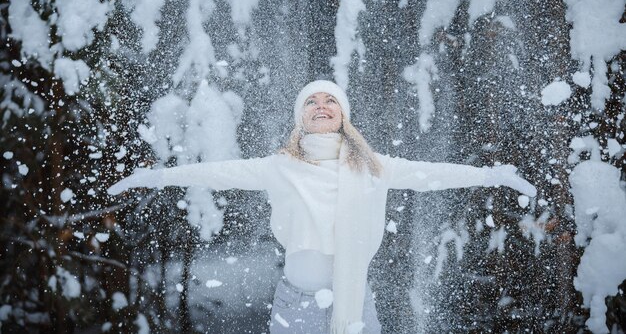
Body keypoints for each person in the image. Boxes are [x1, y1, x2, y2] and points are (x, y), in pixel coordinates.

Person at [108, 80, 536, 334]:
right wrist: (157, 176)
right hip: (297, 303)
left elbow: (433, 175)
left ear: (343, 115)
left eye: (329, 101)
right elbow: (215, 172)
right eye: (311, 102)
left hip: (355, 299)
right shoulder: (278, 167)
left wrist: (489, 175)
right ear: (300, 116)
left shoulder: (374, 167)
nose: (321, 107)